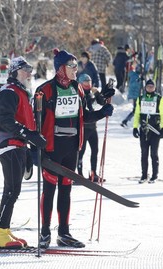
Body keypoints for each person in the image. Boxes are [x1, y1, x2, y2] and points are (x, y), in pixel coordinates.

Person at [35, 48, 114, 249]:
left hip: (71, 147)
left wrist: (102, 112)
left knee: (66, 190)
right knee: (50, 189)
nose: (75, 69)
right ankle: (44, 232)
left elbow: (84, 116)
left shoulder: (77, 88)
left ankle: (63, 232)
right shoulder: (45, 90)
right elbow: (36, 122)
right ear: (60, 68)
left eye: (75, 66)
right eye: (71, 66)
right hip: (52, 147)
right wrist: (35, 148)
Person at [0, 56, 47, 248]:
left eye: (30, 70)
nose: (29, 73)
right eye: (25, 70)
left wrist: (31, 141)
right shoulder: (8, 91)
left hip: (18, 144)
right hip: (9, 143)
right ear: (15, 72)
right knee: (12, 189)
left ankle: (3, 230)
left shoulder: (22, 92)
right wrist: (28, 133)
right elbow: (5, 120)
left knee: (13, 190)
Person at [76, 74, 111, 182]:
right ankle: (79, 174)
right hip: (83, 127)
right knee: (81, 151)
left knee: (95, 150)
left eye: (89, 82)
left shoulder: (91, 93)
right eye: (85, 82)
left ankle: (93, 173)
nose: (88, 84)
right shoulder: (78, 94)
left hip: (92, 127)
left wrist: (98, 93)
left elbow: (102, 102)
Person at [133, 79, 163, 184]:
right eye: (148, 86)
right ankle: (144, 175)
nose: (150, 88)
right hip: (144, 130)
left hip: (155, 130)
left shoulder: (160, 99)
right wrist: (135, 127)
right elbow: (137, 114)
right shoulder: (140, 99)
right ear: (145, 87)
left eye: (152, 86)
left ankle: (154, 175)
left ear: (155, 88)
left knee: (154, 153)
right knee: (144, 153)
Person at [121, 61, 142, 127]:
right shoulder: (134, 75)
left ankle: (127, 121)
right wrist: (139, 81)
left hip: (136, 95)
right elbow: (132, 84)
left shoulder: (136, 75)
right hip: (134, 95)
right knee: (136, 109)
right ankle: (126, 121)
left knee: (137, 109)